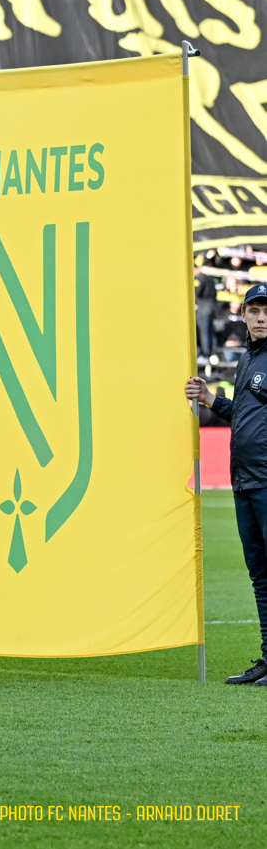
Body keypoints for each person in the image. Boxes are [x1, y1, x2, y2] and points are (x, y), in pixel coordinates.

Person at [189, 283, 267, 684]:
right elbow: (244, 415)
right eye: (254, 310)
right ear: (243, 316)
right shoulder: (248, 360)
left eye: (266, 310)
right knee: (259, 574)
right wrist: (209, 399)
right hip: (245, 481)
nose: (261, 317)